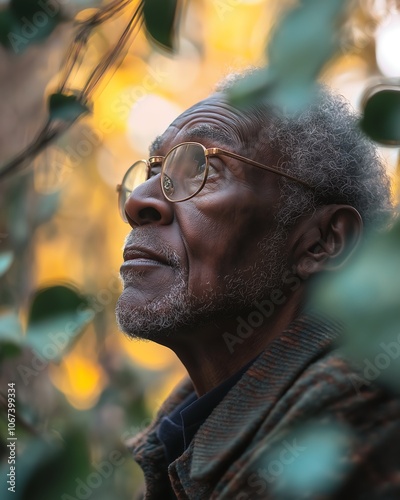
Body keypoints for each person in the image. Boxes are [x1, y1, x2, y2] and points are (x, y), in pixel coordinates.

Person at [115, 72, 400, 499]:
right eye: (154, 168)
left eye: (200, 168)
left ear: (322, 242)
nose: (139, 201)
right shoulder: (174, 443)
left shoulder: (368, 422)